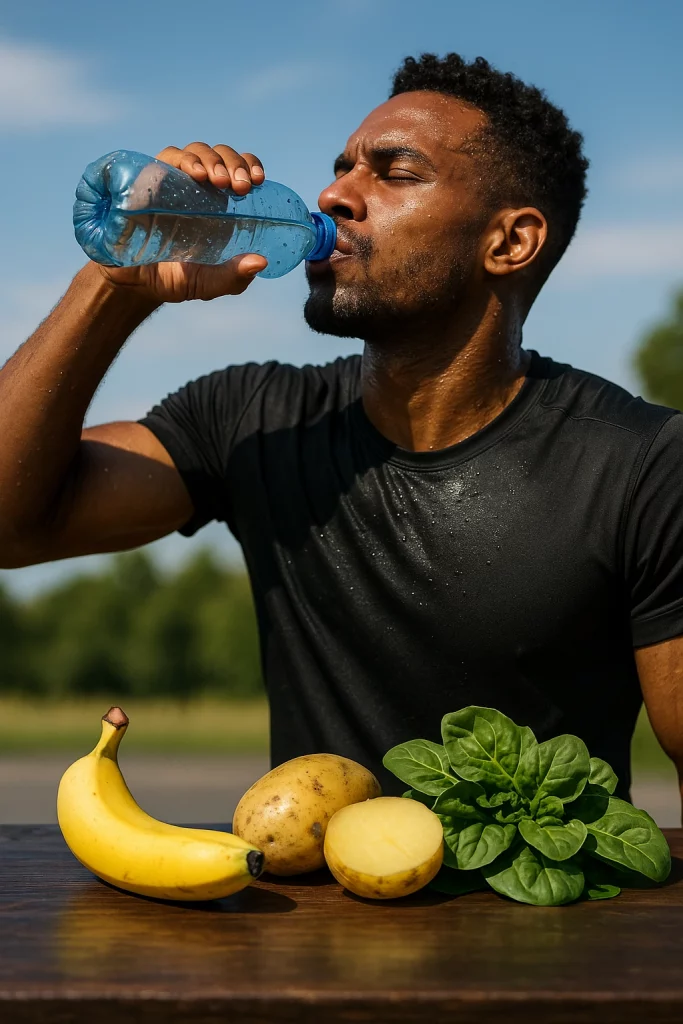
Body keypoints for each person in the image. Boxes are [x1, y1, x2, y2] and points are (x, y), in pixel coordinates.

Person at [1, 53, 682, 803]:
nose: (333, 195)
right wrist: (115, 283)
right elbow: (12, 527)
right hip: (313, 914)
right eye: (343, 168)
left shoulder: (643, 466)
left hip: (546, 913)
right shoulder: (251, 419)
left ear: (509, 242)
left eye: (394, 172)